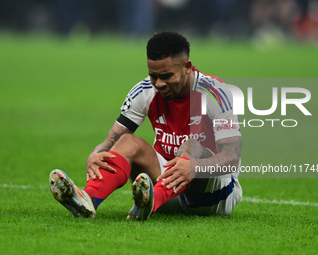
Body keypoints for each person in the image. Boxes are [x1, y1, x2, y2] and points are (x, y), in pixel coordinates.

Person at [49, 31, 243, 221]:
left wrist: (194, 166)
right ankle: (87, 200)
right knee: (127, 142)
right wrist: (96, 153)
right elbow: (110, 141)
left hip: (214, 195)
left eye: (167, 76)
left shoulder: (216, 93)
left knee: (191, 145)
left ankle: (152, 200)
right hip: (165, 187)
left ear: (187, 66)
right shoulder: (144, 91)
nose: (159, 83)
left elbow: (232, 157)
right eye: (153, 76)